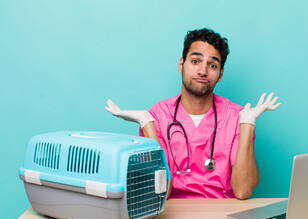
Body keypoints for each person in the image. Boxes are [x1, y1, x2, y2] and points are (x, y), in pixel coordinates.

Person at [105, 28, 281, 200]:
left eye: (212, 65)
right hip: (171, 216)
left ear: (220, 74)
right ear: (181, 65)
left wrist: (248, 124)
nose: (203, 71)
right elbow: (160, 192)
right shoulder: (158, 116)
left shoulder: (237, 116)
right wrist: (147, 123)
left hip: (224, 217)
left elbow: (243, 190)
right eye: (196, 61)